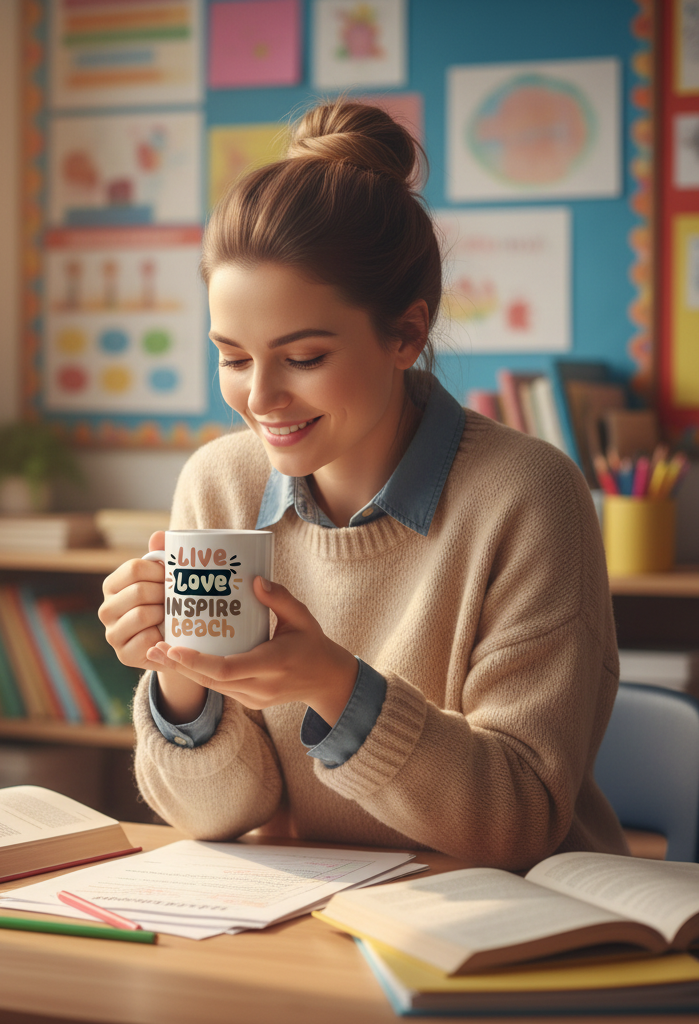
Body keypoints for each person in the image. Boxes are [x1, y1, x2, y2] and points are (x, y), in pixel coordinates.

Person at [98, 99, 627, 871]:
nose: (262, 398)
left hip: (506, 929)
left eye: (303, 357)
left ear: (406, 335)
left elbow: (520, 821)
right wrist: (180, 679)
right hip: (308, 924)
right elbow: (216, 819)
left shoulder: (527, 496)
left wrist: (335, 683)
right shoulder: (219, 484)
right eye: (234, 357)